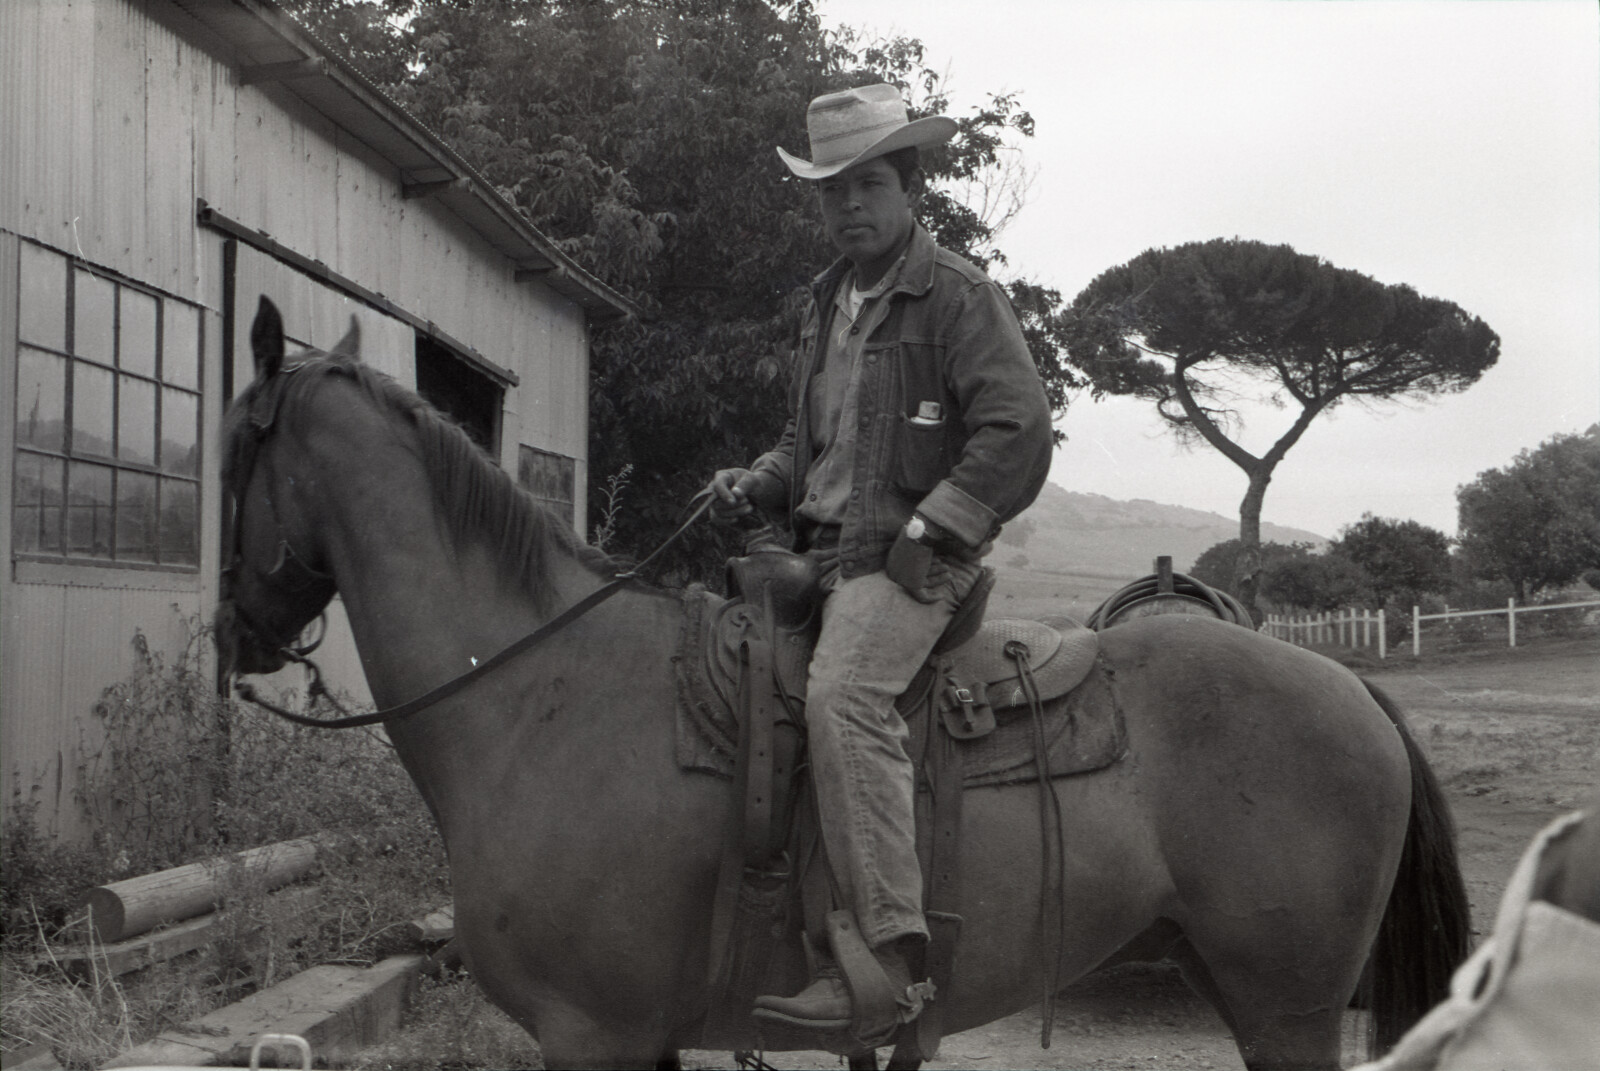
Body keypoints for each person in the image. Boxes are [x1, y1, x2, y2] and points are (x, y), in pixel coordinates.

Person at [707, 83, 1054, 1042]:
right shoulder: (824, 305)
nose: (849, 205)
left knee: (843, 697)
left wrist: (932, 525)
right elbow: (809, 445)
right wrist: (760, 482)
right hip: (817, 554)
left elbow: (1019, 429)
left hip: (910, 566)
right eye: (832, 190)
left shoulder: (957, 296)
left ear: (909, 186)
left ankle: (889, 959)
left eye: (868, 183)